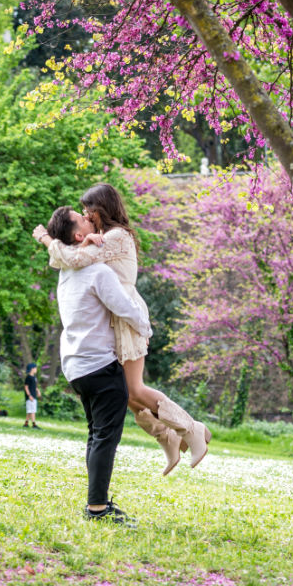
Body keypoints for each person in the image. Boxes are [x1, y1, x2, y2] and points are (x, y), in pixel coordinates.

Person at [33, 182, 210, 475]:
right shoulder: (101, 238)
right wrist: (79, 241)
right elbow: (69, 258)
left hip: (128, 316)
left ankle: (193, 429)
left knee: (133, 388)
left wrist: (46, 239)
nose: (86, 215)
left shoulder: (115, 237)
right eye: (83, 213)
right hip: (116, 320)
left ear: (101, 209)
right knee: (125, 393)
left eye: (88, 211)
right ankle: (167, 438)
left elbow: (71, 258)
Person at [41, 205, 152, 524]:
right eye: (83, 218)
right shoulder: (97, 271)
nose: (90, 219)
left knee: (96, 435)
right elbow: (125, 308)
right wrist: (145, 327)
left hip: (75, 366)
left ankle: (97, 503)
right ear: (79, 236)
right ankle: (97, 509)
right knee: (105, 437)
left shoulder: (66, 271)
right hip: (100, 366)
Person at [23, 362, 39, 428]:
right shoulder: (28, 377)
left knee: (30, 411)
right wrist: (29, 395)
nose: (36, 369)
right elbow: (26, 387)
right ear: (32, 369)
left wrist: (38, 391)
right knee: (32, 411)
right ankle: (34, 424)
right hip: (30, 396)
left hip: (34, 395)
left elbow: (34, 386)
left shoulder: (34, 377)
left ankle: (26, 424)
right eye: (35, 368)